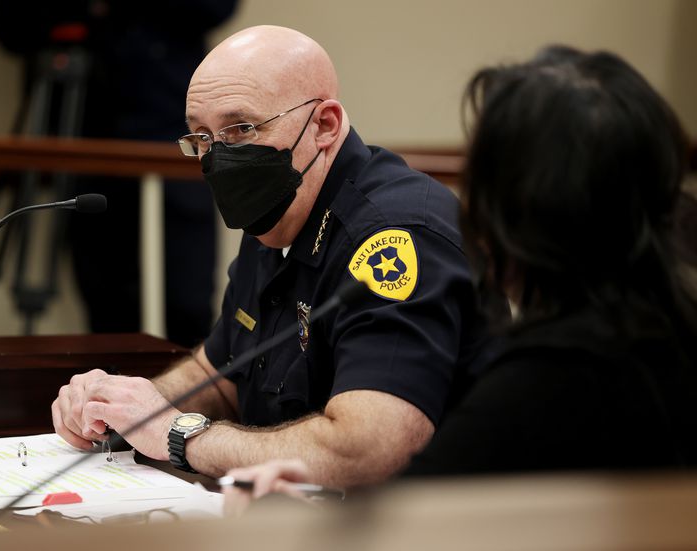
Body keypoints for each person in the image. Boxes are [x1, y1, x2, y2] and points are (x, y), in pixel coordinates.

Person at [219, 45, 697, 512]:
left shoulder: (553, 377)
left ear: (510, 213)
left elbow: (413, 524)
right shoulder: (670, 334)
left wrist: (293, 519)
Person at [52, 25, 496, 487]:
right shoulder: (279, 209)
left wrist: (181, 436)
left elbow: (367, 449)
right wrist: (125, 407)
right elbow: (218, 374)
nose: (217, 157)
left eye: (241, 129)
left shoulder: (394, 237)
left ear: (324, 125)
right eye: (201, 136)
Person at [0, 0, 238, 345]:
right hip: (86, 132)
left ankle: (190, 380)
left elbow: (217, 8)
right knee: (106, 308)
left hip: (171, 133)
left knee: (187, 303)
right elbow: (9, 29)